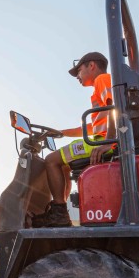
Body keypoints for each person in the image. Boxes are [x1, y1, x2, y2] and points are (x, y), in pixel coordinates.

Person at [32, 51, 115, 228]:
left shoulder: (103, 80)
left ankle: (59, 211)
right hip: (100, 139)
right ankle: (61, 211)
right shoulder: (99, 90)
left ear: (91, 65)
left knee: (50, 160)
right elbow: (90, 128)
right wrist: (61, 133)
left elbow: (116, 108)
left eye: (79, 71)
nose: (77, 76)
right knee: (62, 164)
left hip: (102, 142)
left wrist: (108, 141)